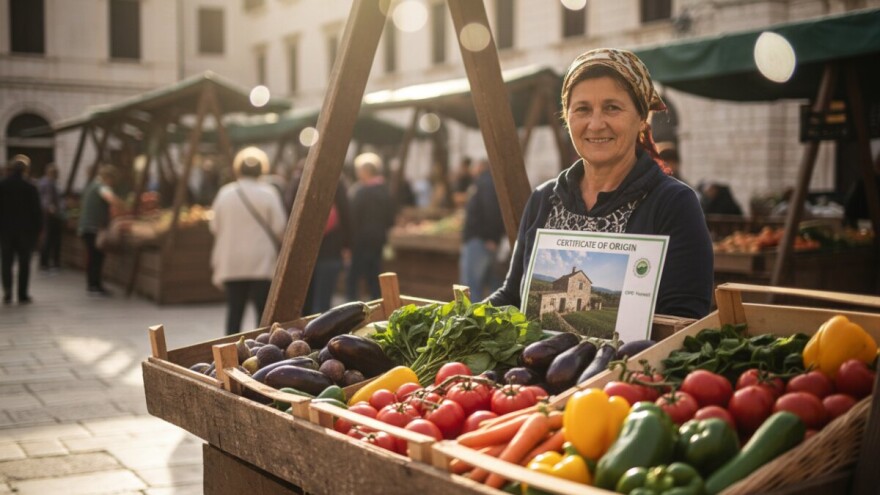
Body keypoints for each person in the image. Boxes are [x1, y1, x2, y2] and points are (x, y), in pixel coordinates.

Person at [488, 48, 714, 319]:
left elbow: (685, 318)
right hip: (533, 361)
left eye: (612, 108)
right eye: (582, 109)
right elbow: (513, 295)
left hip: (631, 362)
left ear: (642, 119)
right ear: (567, 117)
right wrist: (459, 320)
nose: (595, 124)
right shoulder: (544, 199)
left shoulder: (673, 203)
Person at [211, 147, 286, 335]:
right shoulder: (268, 193)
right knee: (263, 312)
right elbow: (280, 227)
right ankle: (261, 351)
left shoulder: (225, 193)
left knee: (235, 311)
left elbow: (214, 227)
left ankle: (228, 353)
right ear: (262, 169)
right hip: (261, 259)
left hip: (232, 260)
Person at [286, 168, 352, 315]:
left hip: (303, 250)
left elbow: (288, 214)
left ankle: (303, 335)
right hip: (331, 249)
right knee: (324, 302)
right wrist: (347, 246)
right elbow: (346, 216)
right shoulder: (337, 182)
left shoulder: (298, 181)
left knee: (303, 302)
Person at [346, 152, 395, 301]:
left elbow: (352, 218)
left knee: (353, 276)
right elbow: (390, 218)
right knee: (374, 276)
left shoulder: (360, 192)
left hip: (360, 240)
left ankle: (350, 307)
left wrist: (349, 242)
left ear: (366, 171)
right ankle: (378, 304)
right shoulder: (385, 191)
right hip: (379, 239)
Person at [460, 159, 505, 301]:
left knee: (470, 289)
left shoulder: (485, 182)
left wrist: (491, 238)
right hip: (484, 240)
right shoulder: (491, 182)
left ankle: (470, 321)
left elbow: (491, 210)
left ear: (480, 167)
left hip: (480, 240)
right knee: (491, 286)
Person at [0, 155, 43, 304]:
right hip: (26, 232)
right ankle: (22, 294)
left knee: (6, 262)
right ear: (25, 170)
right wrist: (39, 231)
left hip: (5, 231)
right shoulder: (30, 187)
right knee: (24, 263)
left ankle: (7, 292)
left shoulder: (2, 185)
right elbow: (37, 212)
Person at [78, 164, 125, 296]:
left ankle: (93, 284)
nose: (113, 184)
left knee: (94, 256)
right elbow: (111, 198)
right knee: (96, 257)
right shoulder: (101, 186)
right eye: (113, 180)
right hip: (92, 228)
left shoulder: (92, 185)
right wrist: (123, 206)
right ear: (108, 178)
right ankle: (94, 286)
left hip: (86, 227)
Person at [38, 164, 64, 270]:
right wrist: (52, 209)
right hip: (50, 215)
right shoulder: (48, 183)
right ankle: (48, 262)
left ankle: (46, 262)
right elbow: (47, 200)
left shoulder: (45, 182)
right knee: (51, 239)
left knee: (49, 238)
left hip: (48, 214)